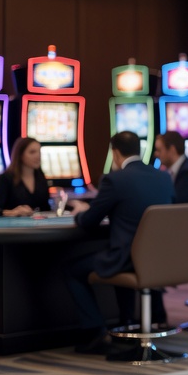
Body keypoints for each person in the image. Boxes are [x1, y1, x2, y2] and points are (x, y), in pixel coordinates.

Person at [62, 131, 174, 354]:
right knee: (114, 253)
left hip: (128, 259)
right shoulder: (164, 177)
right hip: (161, 259)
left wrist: (80, 211)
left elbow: (89, 222)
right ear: (139, 149)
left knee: (72, 270)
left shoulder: (114, 179)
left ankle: (94, 331)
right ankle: (126, 323)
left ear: (115, 153)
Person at [0, 137, 50, 216]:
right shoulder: (6, 178)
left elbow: (46, 209)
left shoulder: (40, 177)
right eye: (32, 152)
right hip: (12, 226)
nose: (38, 156)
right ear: (20, 155)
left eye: (39, 152)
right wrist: (13, 212)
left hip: (39, 226)